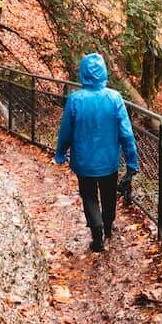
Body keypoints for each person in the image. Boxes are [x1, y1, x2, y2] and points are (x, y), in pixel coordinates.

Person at [54, 53, 139, 252]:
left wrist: (60, 153)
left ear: (82, 73)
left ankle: (97, 229)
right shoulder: (114, 98)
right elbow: (126, 134)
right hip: (109, 161)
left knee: (89, 195)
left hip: (83, 162)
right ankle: (107, 227)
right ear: (104, 73)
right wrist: (132, 162)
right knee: (109, 195)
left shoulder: (75, 100)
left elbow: (66, 131)